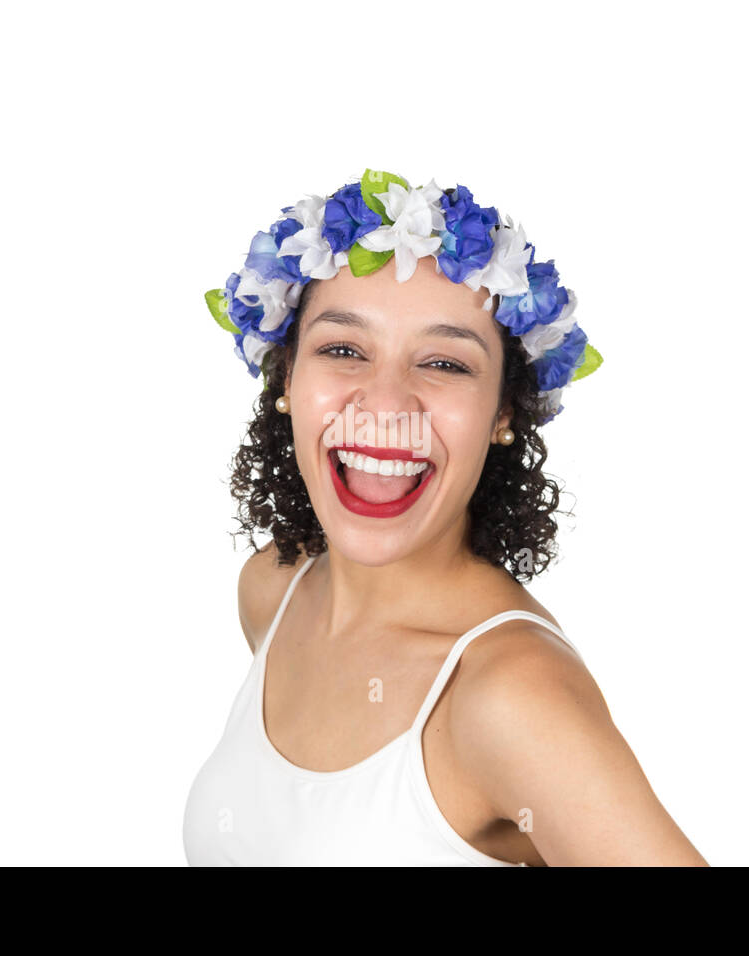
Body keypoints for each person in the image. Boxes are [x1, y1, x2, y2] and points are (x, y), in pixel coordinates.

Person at [182, 169, 707, 866]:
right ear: (286, 379)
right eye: (343, 350)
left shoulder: (507, 693)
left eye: (444, 363)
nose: (386, 404)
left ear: (503, 414)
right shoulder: (273, 590)